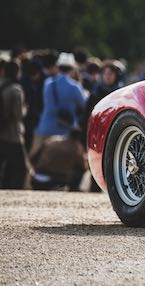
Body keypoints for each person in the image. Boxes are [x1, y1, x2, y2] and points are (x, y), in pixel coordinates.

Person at [33, 52, 87, 152]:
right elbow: (84, 105)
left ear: (58, 67)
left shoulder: (48, 83)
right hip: (64, 131)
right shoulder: (75, 87)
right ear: (72, 69)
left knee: (39, 161)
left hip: (45, 127)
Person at [0, 60, 27, 189]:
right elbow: (18, 115)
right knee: (21, 167)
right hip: (12, 135)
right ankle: (13, 192)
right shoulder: (16, 90)